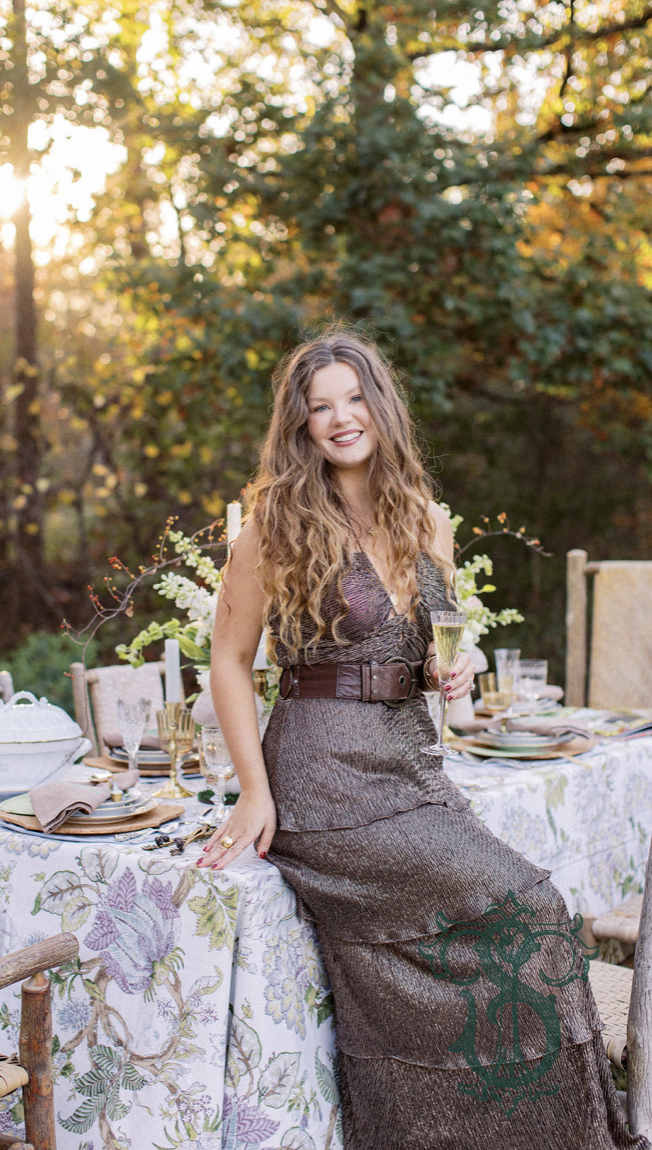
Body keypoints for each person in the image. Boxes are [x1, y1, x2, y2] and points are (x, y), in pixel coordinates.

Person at [197, 331, 645, 1150]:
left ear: (381, 405)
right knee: (535, 911)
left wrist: (460, 664)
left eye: (353, 398)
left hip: (411, 765)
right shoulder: (277, 523)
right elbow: (228, 661)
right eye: (319, 407)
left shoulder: (427, 520)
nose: (340, 419)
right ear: (299, 426)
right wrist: (255, 791)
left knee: (507, 924)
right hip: (323, 778)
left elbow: (439, 647)